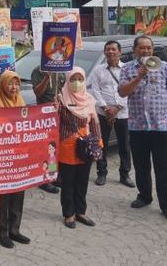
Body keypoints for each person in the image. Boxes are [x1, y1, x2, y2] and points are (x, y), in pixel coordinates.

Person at [118, 36, 167, 221]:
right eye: (142, 48)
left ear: (152, 50)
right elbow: (123, 92)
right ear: (135, 50)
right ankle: (144, 196)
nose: (145, 51)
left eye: (149, 48)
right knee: (141, 165)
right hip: (137, 126)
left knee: (163, 166)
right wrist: (139, 76)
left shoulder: (164, 67)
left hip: (161, 125)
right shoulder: (127, 68)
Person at [0, 71, 30, 248]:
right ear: (3, 84)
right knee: (3, 197)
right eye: (10, 84)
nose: (14, 87)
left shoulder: (21, 101)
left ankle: (15, 229)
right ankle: (2, 231)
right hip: (2, 159)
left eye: (17, 84)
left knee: (18, 193)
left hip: (18, 157)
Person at [55, 67, 102, 229]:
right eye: (73, 79)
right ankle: (69, 214)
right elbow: (53, 121)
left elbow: (94, 122)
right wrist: (54, 107)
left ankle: (81, 211)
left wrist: (98, 144)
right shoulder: (61, 99)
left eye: (80, 79)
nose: (76, 83)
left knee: (82, 181)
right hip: (67, 146)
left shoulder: (89, 99)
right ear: (67, 80)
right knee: (68, 182)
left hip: (86, 146)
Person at [87, 40, 134, 187]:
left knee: (124, 146)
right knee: (102, 145)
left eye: (113, 49)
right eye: (108, 49)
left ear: (120, 52)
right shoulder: (98, 70)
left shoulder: (127, 69)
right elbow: (95, 90)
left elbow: (131, 90)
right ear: (104, 52)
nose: (110, 52)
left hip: (123, 113)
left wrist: (118, 107)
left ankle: (125, 175)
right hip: (103, 113)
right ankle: (101, 173)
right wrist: (106, 108)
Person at [31, 67, 62, 194]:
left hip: (58, 114)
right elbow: (38, 93)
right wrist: (47, 77)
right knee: (45, 150)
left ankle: (53, 176)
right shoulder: (39, 70)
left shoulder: (63, 70)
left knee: (55, 149)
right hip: (44, 117)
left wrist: (60, 101)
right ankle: (44, 180)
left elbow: (63, 90)